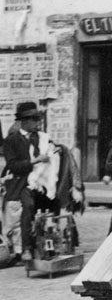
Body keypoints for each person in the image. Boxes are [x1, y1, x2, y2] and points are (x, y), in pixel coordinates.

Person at [2, 102, 57, 262]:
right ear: (25, 122)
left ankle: (50, 245)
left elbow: (57, 148)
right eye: (34, 121)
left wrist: (53, 153)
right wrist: (34, 161)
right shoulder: (11, 141)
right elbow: (13, 165)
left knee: (53, 205)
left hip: (42, 183)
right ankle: (25, 249)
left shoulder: (41, 137)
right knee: (27, 207)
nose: (37, 124)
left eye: (38, 121)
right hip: (21, 183)